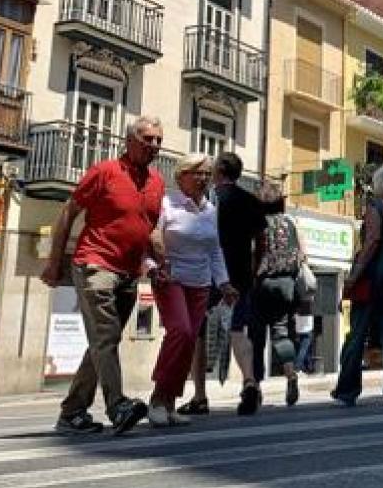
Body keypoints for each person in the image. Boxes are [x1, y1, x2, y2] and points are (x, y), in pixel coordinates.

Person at [40, 115, 166, 435]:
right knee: (106, 337)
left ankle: (72, 413)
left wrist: (159, 265)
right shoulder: (104, 172)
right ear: (130, 140)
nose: (154, 146)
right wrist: (55, 262)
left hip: (128, 273)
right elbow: (68, 213)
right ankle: (117, 405)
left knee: (101, 342)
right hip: (94, 264)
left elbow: (148, 230)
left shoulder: (157, 183)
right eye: (147, 139)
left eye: (158, 141)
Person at [177, 152, 284, 417]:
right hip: (241, 274)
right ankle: (249, 381)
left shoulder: (210, 200)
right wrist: (254, 268)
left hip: (209, 273)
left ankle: (200, 397)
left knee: (199, 333)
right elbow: (262, 242)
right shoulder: (251, 201)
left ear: (218, 172)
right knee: (238, 330)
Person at [145, 154, 237, 426]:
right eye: (196, 173)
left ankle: (170, 404)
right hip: (170, 279)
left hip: (201, 283)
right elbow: (149, 238)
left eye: (207, 174)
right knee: (181, 333)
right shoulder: (167, 203)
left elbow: (214, 250)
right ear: (181, 175)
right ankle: (158, 398)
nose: (203, 179)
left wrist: (224, 283)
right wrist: (152, 266)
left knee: (188, 344)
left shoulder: (210, 210)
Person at [332, 166, 383, 407]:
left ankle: (347, 391)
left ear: (379, 184)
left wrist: (352, 277)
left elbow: (372, 242)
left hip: (373, 274)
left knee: (357, 332)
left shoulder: (375, 207)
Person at [254, 183, 305, 406]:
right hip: (286, 285)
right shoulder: (291, 222)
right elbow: (303, 255)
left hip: (261, 283)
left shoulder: (257, 224)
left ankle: (253, 387)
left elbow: (252, 255)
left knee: (255, 337)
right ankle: (291, 375)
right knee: (281, 333)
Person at [293, 299, 315, 374]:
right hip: (308, 329)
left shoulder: (297, 307)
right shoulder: (309, 305)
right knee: (304, 349)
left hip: (299, 329)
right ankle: (297, 367)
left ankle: (308, 367)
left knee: (306, 348)